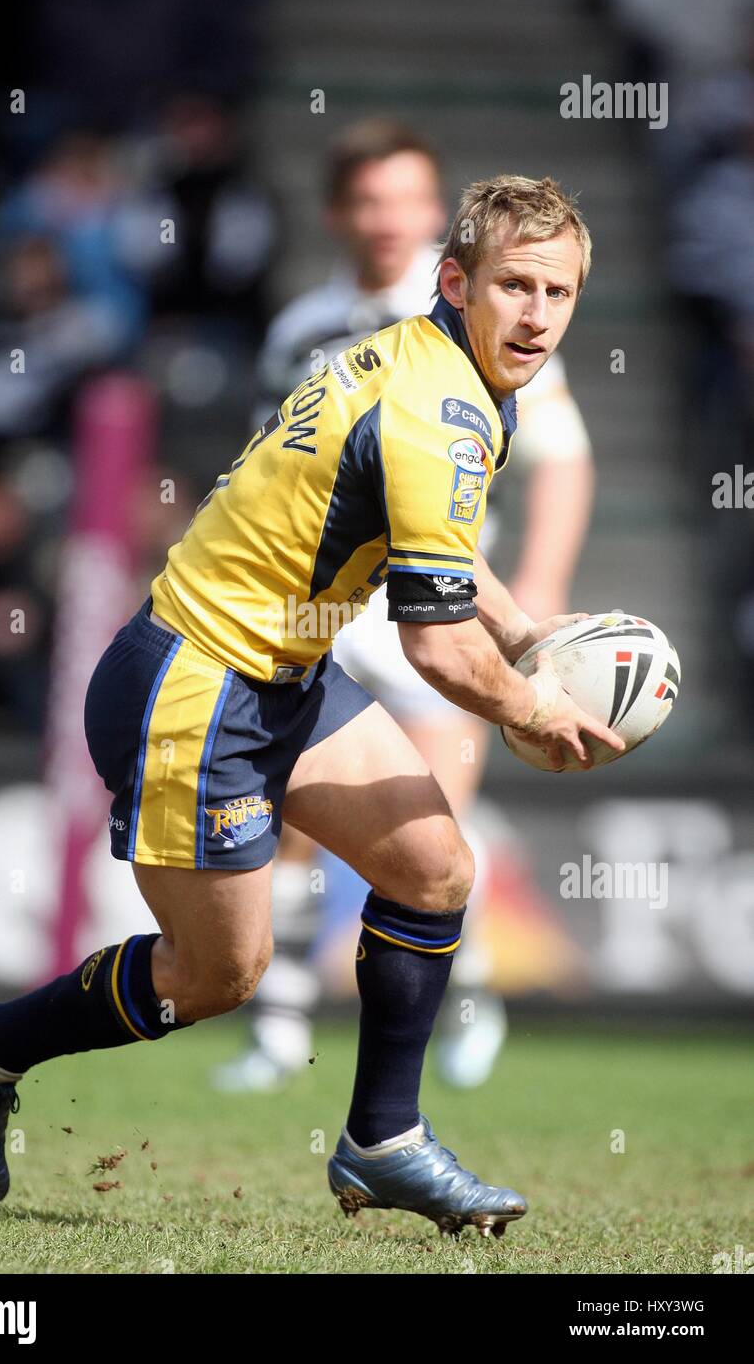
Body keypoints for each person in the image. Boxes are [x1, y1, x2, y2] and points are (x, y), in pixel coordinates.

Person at [0, 174, 624, 1238]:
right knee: (215, 977)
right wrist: (531, 709)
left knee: (433, 869)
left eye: (557, 292)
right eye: (513, 285)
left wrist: (524, 633)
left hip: (277, 672)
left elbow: (435, 544)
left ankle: (382, 1140)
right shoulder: (440, 412)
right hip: (193, 686)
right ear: (453, 282)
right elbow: (432, 644)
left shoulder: (443, 369)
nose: (534, 313)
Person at [215, 120, 594, 1092]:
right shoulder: (301, 329)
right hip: (328, 605)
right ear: (339, 213)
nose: (389, 218)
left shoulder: (494, 317)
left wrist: (534, 604)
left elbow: (560, 462)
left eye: (407, 198)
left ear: (437, 215)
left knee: (428, 825)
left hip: (441, 602)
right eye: (368, 198)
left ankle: (458, 1011)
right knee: (298, 827)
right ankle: (280, 1032)